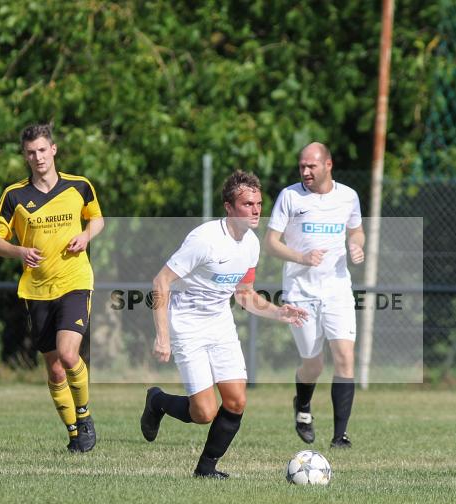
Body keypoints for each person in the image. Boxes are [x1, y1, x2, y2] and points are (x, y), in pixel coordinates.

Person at [141, 170, 308, 479]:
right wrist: (162, 335)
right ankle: (158, 401)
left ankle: (206, 469)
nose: (256, 210)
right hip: (187, 325)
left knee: (236, 400)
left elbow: (244, 294)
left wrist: (278, 312)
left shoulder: (251, 244)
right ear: (229, 207)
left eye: (259, 203)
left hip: (220, 323)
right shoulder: (204, 240)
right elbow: (161, 281)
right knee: (203, 413)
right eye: (248, 204)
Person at [0, 123, 104, 452]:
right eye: (30, 152)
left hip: (75, 280)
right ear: (24, 156)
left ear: (53, 150)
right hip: (37, 290)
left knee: (69, 355)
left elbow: (97, 218)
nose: (38, 157)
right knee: (54, 369)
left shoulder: (79, 186)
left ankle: (84, 415)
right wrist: (19, 251)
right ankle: (73, 435)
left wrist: (86, 235)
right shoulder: (15, 196)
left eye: (42, 150)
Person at [263, 142, 365, 448]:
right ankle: (303, 406)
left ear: (328, 165)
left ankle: (340, 437)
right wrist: (301, 257)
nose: (306, 172)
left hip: (337, 289)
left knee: (345, 357)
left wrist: (356, 244)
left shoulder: (348, 196)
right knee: (313, 364)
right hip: (300, 291)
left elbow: (356, 230)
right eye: (302, 167)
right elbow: (270, 243)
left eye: (312, 166)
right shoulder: (290, 197)